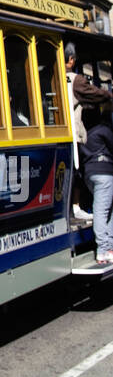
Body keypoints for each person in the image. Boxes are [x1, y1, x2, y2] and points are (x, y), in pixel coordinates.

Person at [65, 44, 108, 224]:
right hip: (74, 134)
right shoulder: (75, 79)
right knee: (77, 171)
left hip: (63, 132)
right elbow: (94, 95)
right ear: (72, 60)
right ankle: (76, 207)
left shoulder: (49, 75)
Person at [79, 103, 113, 266]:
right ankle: (104, 250)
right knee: (102, 209)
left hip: (89, 174)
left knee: (104, 207)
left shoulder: (82, 133)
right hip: (105, 174)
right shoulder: (103, 130)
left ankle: (108, 246)